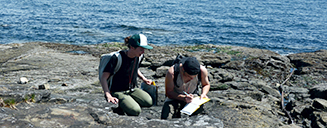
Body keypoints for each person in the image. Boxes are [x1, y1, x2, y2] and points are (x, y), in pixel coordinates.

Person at [100, 34, 154, 116]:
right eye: (141, 49)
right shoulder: (116, 58)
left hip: (131, 89)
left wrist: (144, 79)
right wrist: (108, 95)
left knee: (149, 102)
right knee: (135, 110)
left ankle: (128, 101)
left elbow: (135, 68)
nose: (143, 52)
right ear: (132, 47)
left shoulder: (138, 56)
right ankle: (122, 106)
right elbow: (103, 77)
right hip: (117, 91)